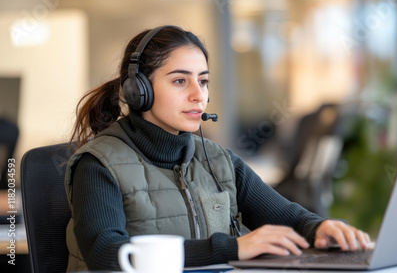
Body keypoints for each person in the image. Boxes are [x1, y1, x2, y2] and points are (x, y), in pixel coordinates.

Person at [65, 25, 370, 272]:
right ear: (138, 91)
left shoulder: (219, 160)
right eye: (180, 81)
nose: (199, 95)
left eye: (204, 80)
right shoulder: (98, 164)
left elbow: (288, 217)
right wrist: (233, 248)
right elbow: (108, 257)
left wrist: (321, 229)